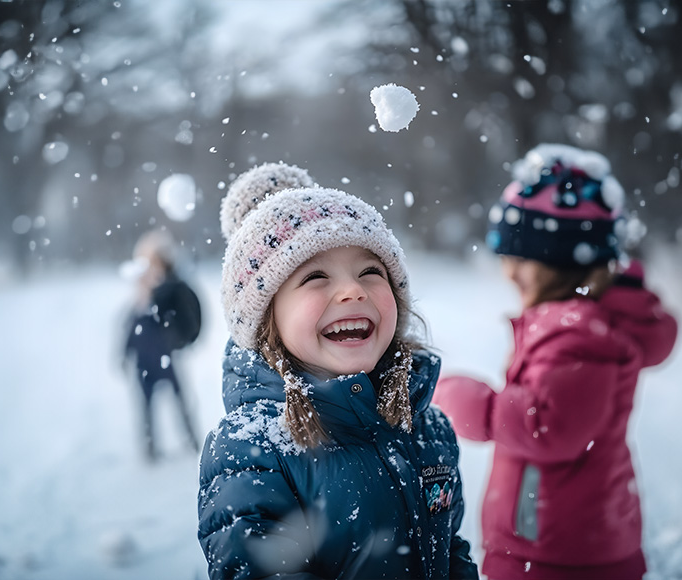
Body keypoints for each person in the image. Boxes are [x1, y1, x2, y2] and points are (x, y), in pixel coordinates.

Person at [197, 163, 479, 579]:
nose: (354, 290)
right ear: (268, 320)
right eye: (315, 276)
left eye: (370, 271)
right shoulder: (250, 449)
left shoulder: (426, 426)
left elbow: (450, 550)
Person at [433, 144, 678, 580]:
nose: (508, 274)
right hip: (566, 538)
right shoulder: (578, 324)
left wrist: (459, 399)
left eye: (518, 261)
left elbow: (544, 426)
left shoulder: (578, 335)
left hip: (558, 553)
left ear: (555, 264)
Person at [123, 228, 202, 462]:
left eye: (154, 264)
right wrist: (123, 352)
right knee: (146, 406)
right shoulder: (141, 296)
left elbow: (188, 318)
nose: (150, 272)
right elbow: (130, 328)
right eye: (146, 265)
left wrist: (178, 338)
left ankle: (192, 441)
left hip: (167, 358)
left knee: (181, 400)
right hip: (144, 361)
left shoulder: (173, 290)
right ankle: (150, 448)